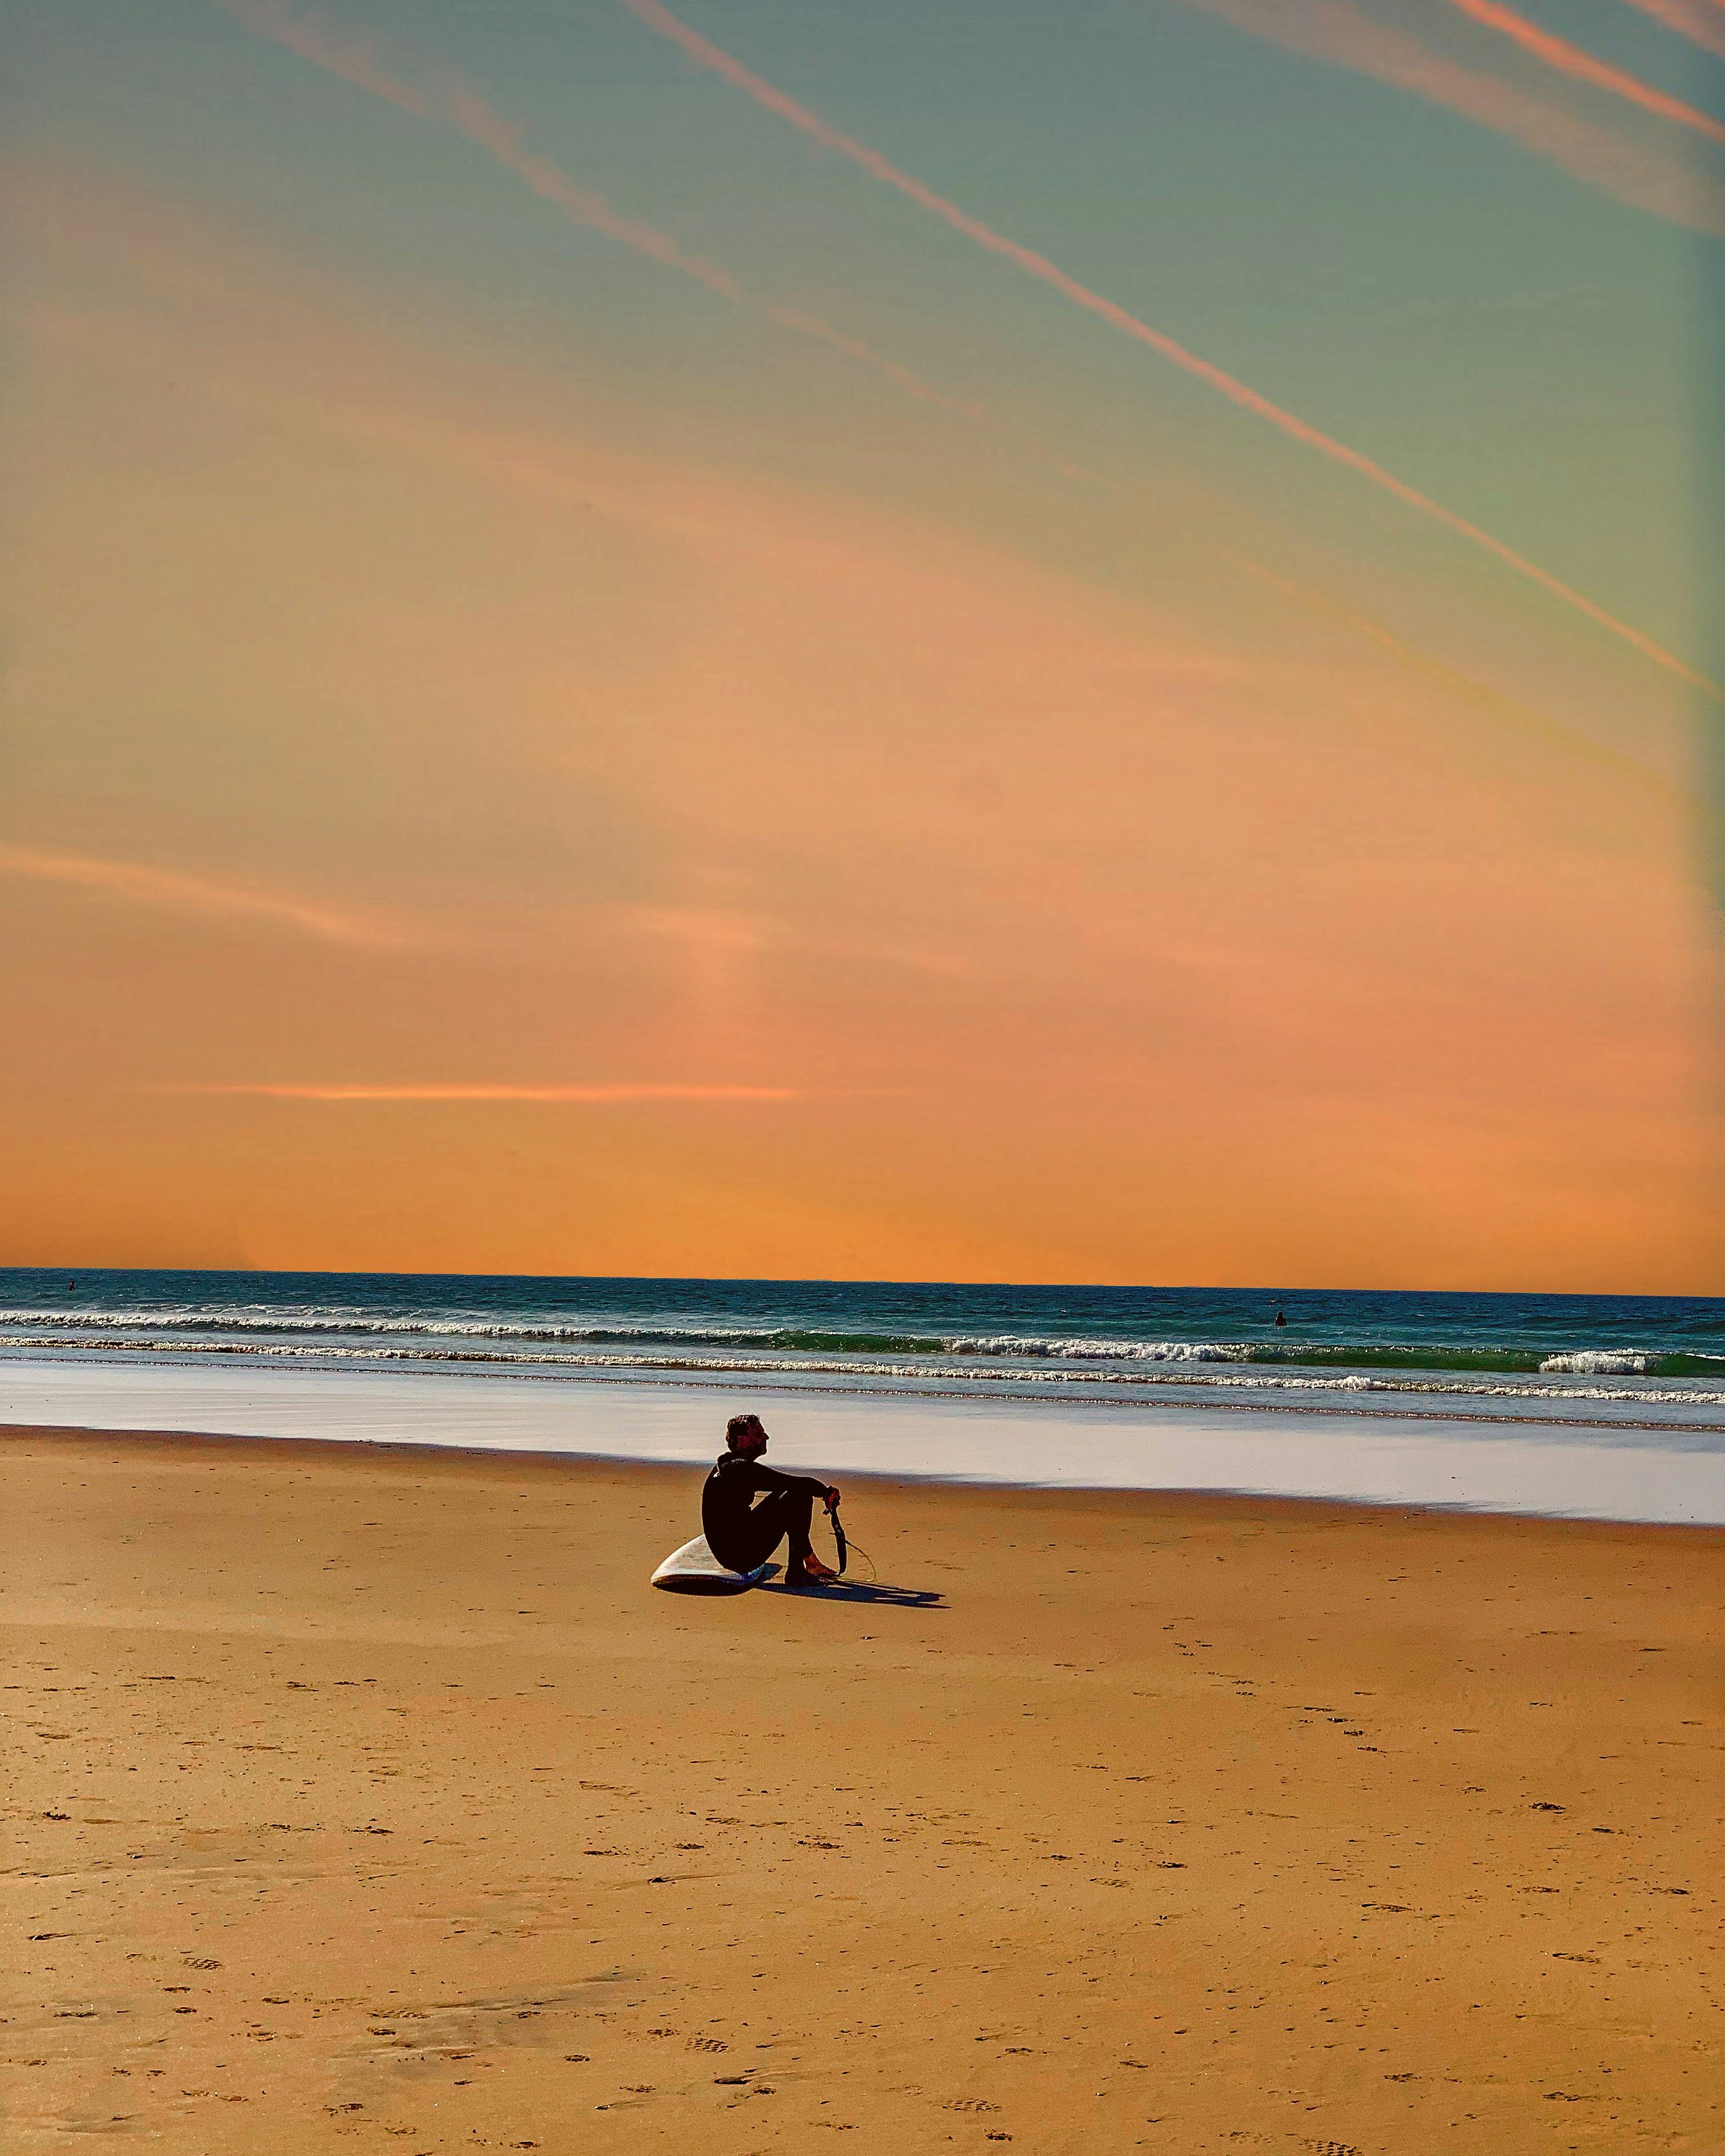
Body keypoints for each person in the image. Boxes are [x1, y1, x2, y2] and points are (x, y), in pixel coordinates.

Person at [702, 1413, 840, 1587]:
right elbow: (791, 1483)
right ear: (742, 1441)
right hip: (739, 1557)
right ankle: (798, 1572)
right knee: (799, 1494)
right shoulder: (739, 1469)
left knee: (792, 1493)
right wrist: (826, 1492)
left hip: (732, 1549)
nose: (766, 1437)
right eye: (758, 1434)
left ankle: (810, 1562)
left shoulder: (727, 1466)